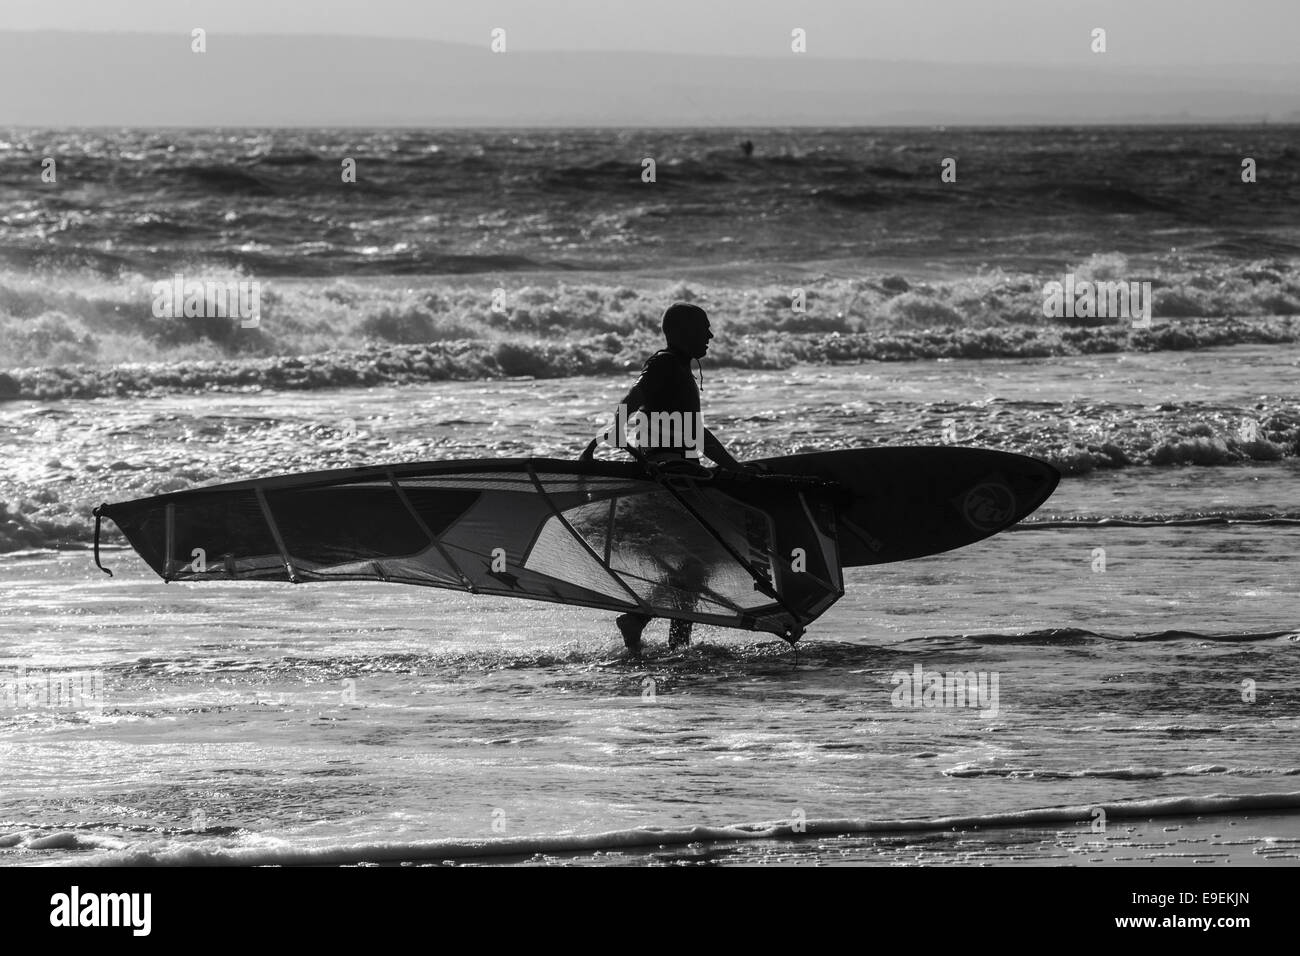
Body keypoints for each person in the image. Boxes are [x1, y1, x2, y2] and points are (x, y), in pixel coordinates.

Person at [580, 302, 753, 658]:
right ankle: (658, 632)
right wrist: (607, 435)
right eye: (703, 328)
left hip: (681, 475)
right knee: (698, 559)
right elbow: (630, 401)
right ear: (683, 332)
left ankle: (652, 628)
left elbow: (697, 435)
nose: (710, 335)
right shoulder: (663, 364)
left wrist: (734, 466)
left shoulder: (677, 369)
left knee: (694, 562)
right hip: (668, 478)